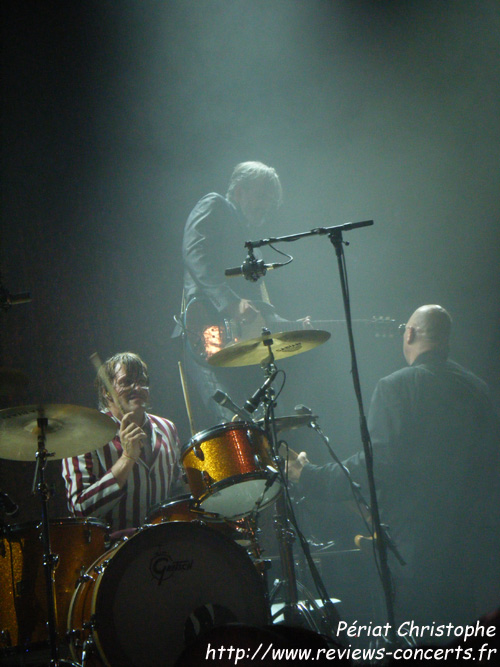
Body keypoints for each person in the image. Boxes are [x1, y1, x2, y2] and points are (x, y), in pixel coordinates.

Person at [288, 305, 500, 636]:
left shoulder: (396, 387)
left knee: (416, 644)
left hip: (416, 551)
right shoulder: (479, 389)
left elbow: (377, 465)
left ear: (411, 334)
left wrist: (311, 476)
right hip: (472, 548)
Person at [177, 161, 301, 430]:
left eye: (271, 199)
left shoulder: (250, 241)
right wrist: (230, 303)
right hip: (206, 325)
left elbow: (256, 303)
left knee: (249, 412)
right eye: (262, 195)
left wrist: (288, 323)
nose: (266, 204)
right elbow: (194, 254)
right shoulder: (214, 205)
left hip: (238, 338)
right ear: (239, 191)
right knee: (229, 414)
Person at [62, 352, 183, 533]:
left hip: (163, 544)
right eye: (126, 382)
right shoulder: (83, 436)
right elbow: (79, 510)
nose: (138, 388)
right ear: (106, 391)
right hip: (114, 552)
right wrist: (127, 458)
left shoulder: (167, 428)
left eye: (142, 382)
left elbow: (177, 489)